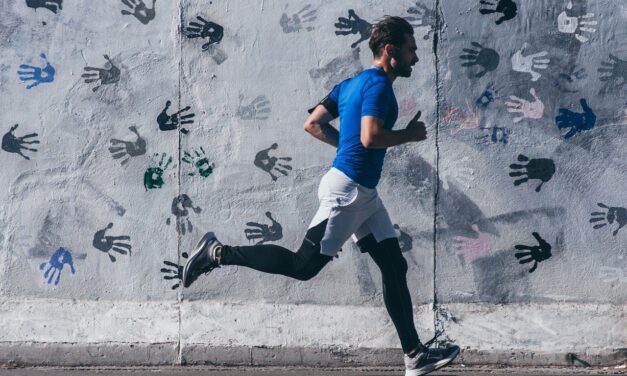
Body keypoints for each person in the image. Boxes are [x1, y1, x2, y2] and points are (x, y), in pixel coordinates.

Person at [182, 16, 460, 376]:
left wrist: (347, 148)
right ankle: (217, 253)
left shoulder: (348, 84)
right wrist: (408, 135)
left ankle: (414, 355)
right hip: (348, 193)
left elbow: (312, 123)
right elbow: (370, 138)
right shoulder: (378, 87)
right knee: (303, 266)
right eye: (411, 50)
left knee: (394, 265)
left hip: (363, 194)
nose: (416, 59)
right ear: (390, 51)